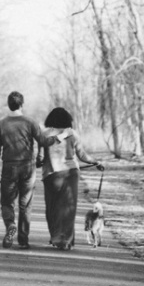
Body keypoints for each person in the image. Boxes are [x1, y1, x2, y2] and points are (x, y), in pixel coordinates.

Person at [0, 91, 69, 250]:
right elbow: (43, 141)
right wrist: (60, 137)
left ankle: (10, 225)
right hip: (27, 167)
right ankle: (23, 240)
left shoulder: (2, 124)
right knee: (25, 205)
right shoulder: (30, 122)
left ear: (9, 104)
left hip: (9, 167)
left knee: (7, 202)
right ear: (22, 104)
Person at [39, 107, 104, 250]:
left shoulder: (44, 134)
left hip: (51, 175)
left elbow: (39, 157)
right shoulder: (72, 134)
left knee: (52, 208)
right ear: (68, 119)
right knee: (69, 209)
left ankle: (56, 237)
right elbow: (82, 155)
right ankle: (66, 241)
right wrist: (96, 162)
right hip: (70, 175)